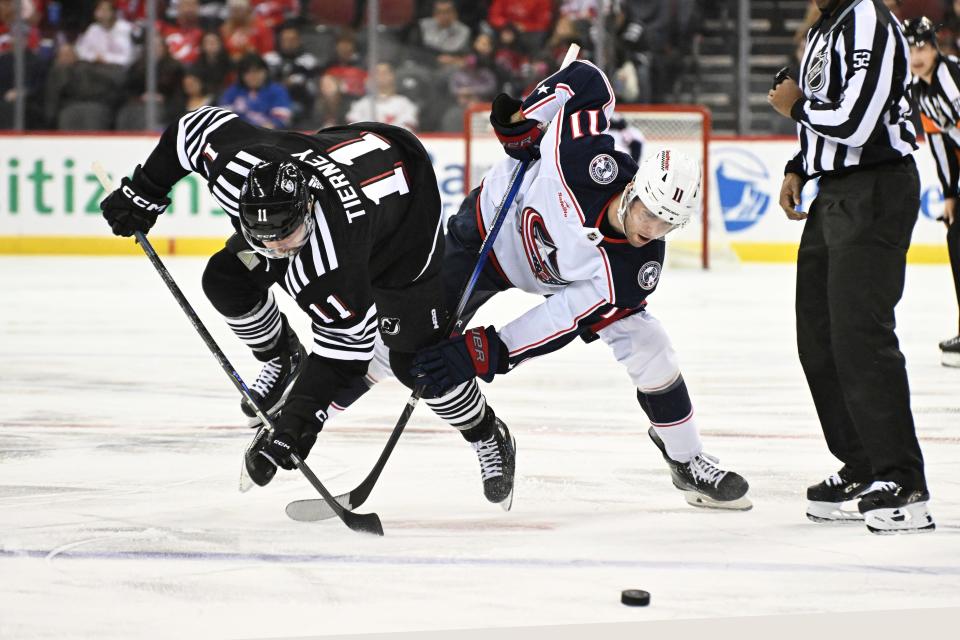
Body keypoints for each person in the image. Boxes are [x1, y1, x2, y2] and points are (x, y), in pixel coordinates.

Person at [338, 59, 752, 510]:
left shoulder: (635, 268)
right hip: (490, 235)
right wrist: (525, 119)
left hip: (560, 279)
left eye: (666, 225)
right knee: (407, 339)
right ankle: (331, 404)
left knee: (648, 342)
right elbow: (588, 80)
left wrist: (486, 351)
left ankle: (686, 459)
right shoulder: (581, 161)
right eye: (649, 214)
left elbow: (563, 317)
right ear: (633, 190)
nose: (651, 231)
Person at [98, 107, 517, 507]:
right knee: (227, 278)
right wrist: (144, 192)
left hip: (407, 212)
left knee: (418, 361)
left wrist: (300, 421)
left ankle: (485, 432)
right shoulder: (236, 172)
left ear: (309, 207)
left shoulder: (333, 262)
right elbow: (191, 130)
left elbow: (346, 353)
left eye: (288, 235)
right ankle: (282, 356)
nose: (277, 249)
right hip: (344, 153)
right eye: (263, 237)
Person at [768, 0, 934, 533]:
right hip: (834, 192)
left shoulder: (868, 18)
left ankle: (903, 480)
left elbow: (857, 122)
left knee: (862, 335)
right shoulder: (825, 26)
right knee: (817, 338)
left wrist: (794, 108)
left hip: (877, 188)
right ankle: (863, 464)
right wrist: (799, 163)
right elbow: (825, 110)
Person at [903, 17, 960, 367]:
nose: (917, 54)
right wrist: (950, 193)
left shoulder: (950, 77)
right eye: (911, 48)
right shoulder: (920, 90)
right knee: (956, 240)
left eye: (922, 46)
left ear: (934, 47)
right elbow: (939, 144)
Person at [219, 53, 292, 130]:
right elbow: (222, 118)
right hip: (238, 136)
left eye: (256, 71)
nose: (252, 76)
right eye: (247, 72)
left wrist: (259, 131)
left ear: (265, 72)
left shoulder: (277, 91)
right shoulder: (234, 91)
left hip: (268, 137)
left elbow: (281, 119)